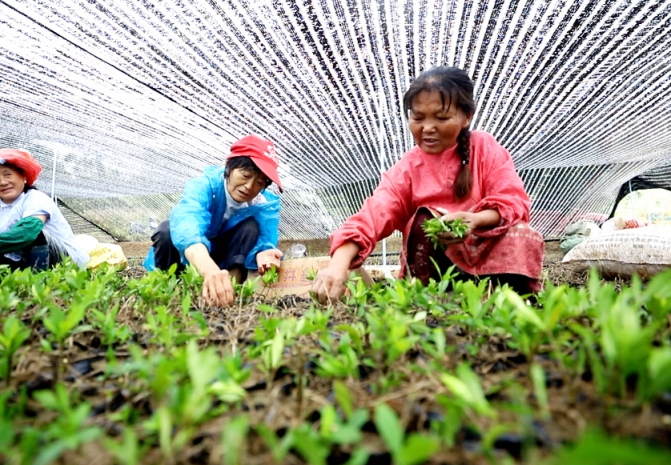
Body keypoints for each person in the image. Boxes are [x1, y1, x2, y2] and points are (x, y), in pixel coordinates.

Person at [312, 66, 544, 303]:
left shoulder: (484, 149)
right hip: (433, 279)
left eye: (441, 118)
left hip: (490, 269)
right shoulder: (409, 167)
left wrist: (474, 220)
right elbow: (372, 215)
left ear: (466, 117)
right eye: (418, 117)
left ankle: (513, 301)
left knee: (520, 232)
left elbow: (513, 203)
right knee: (424, 220)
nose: (427, 128)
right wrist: (338, 266)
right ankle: (431, 305)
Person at [144, 135, 284, 307]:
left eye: (260, 182)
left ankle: (226, 291)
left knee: (250, 226)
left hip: (222, 263)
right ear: (229, 168)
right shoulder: (205, 186)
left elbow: (266, 238)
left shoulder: (263, 205)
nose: (249, 186)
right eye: (245, 175)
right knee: (166, 230)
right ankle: (167, 287)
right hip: (191, 259)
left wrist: (264, 251)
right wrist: (209, 270)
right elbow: (188, 222)